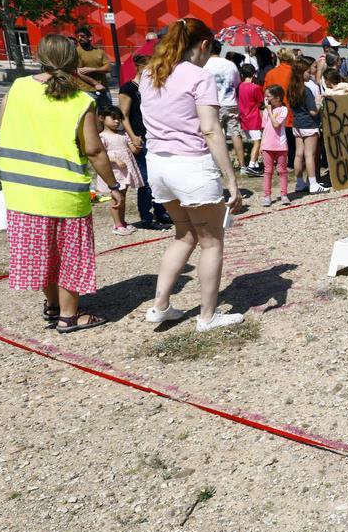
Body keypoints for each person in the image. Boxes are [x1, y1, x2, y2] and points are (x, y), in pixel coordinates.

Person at [0, 34, 124, 332]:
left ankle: (53, 306)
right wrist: (113, 185)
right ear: (73, 61)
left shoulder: (18, 88)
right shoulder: (81, 100)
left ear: (39, 57)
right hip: (64, 191)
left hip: (21, 190)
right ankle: (69, 315)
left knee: (43, 253)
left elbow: (4, 129)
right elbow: (93, 150)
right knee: (69, 255)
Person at [138, 17, 244, 333]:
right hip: (191, 166)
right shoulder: (199, 77)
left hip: (159, 165)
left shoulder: (148, 73)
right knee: (212, 243)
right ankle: (208, 316)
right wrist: (231, 180)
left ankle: (160, 306)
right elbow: (211, 129)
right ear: (203, 45)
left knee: (183, 235)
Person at [116, 42, 172, 230]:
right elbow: (123, 114)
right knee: (146, 180)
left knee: (160, 177)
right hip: (140, 136)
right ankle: (146, 217)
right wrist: (132, 136)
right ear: (140, 67)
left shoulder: (153, 86)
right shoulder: (128, 89)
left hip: (154, 135)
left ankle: (161, 211)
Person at [95, 106, 144, 236]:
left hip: (125, 171)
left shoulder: (123, 135)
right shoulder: (102, 137)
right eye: (113, 118)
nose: (117, 122)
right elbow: (101, 155)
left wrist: (138, 145)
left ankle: (122, 221)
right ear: (102, 118)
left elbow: (133, 150)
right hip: (114, 173)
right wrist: (115, 160)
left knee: (123, 197)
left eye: (119, 119)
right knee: (116, 198)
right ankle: (117, 224)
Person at [203, 40, 245, 173]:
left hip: (215, 105)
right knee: (235, 134)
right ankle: (242, 165)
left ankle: (217, 165)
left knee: (216, 136)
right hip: (231, 102)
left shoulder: (205, 65)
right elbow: (237, 83)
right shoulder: (231, 64)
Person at [288, 58, 327, 194]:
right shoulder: (307, 90)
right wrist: (319, 102)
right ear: (301, 73)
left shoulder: (291, 89)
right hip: (309, 125)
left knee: (299, 154)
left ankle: (299, 183)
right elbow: (313, 111)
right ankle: (314, 184)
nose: (309, 74)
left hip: (297, 125)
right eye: (306, 72)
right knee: (309, 155)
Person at [259, 85, 290, 206]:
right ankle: (267, 195)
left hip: (280, 145)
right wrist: (262, 145)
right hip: (267, 145)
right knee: (268, 171)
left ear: (277, 98)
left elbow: (276, 124)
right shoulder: (266, 110)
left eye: (268, 96)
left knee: (282, 170)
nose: (266, 99)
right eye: (265, 96)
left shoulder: (283, 110)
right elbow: (264, 129)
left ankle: (284, 194)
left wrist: (269, 110)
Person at [74, 26, 112, 109]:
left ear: (90, 38)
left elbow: (108, 68)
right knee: (91, 117)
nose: (80, 38)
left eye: (83, 36)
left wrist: (93, 69)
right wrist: (96, 83)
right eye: (78, 37)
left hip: (103, 89)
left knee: (108, 114)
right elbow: (78, 72)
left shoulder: (100, 52)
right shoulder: (76, 52)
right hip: (86, 90)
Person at [237, 63, 264, 176]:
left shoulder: (239, 86)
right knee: (257, 142)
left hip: (243, 118)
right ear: (254, 74)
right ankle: (252, 165)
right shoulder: (255, 87)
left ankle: (256, 165)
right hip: (254, 118)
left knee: (253, 141)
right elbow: (260, 102)